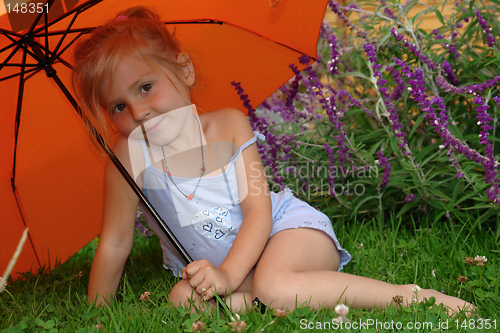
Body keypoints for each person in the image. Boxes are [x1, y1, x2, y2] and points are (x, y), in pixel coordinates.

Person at [72, 6, 473, 314]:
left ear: (185, 69)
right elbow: (116, 242)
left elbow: (258, 211)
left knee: (275, 284)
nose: (138, 112)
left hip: (285, 232)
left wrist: (228, 275)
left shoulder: (228, 126)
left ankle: (409, 298)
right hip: (224, 270)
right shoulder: (127, 157)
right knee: (182, 299)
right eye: (118, 106)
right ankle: (282, 297)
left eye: (146, 87)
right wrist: (98, 315)